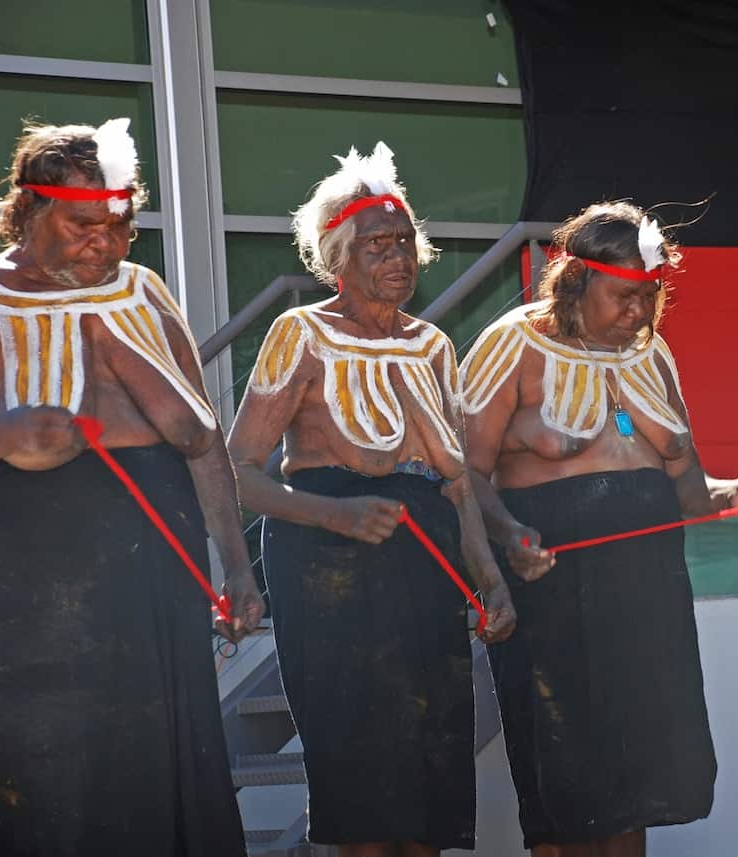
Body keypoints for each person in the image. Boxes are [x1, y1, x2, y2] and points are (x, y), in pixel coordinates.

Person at [460, 201, 738, 856]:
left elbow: (686, 490)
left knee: (636, 785)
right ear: (576, 283)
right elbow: (463, 476)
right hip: (553, 592)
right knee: (568, 792)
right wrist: (503, 549)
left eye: (650, 295)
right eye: (624, 296)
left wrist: (737, 489)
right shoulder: (514, 342)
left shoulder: (653, 354)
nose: (638, 312)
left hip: (648, 593)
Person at [0, 118, 263, 855]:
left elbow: (204, 447)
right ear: (28, 210)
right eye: (81, 226)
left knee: (164, 783)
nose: (102, 245)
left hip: (156, 587)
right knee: (53, 791)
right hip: (29, 607)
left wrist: (236, 566)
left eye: (117, 227)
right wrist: (3, 437)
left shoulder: (142, 291)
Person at [227, 142, 515, 857]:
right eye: (377, 244)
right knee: (363, 791)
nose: (398, 256)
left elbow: (456, 483)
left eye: (406, 242)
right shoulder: (300, 334)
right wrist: (333, 512)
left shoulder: (434, 346)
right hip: (327, 570)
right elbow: (236, 470)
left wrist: (490, 578)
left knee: (430, 784)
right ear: (335, 258)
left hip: (424, 567)